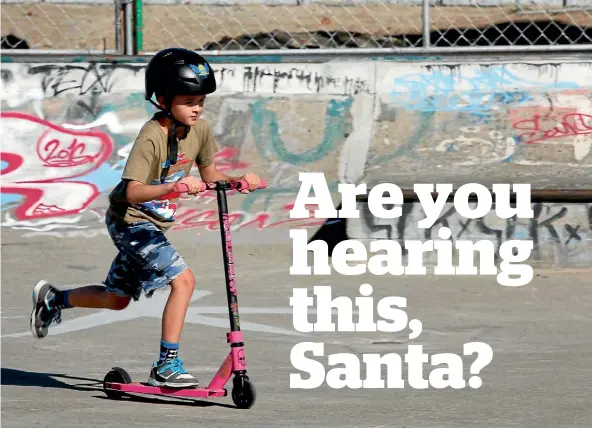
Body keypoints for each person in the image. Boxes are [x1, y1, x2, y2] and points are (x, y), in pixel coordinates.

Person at [29, 48, 262, 389]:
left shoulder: (199, 130)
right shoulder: (150, 137)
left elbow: (210, 172)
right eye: (188, 100)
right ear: (163, 99)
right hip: (130, 221)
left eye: (201, 100)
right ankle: (166, 365)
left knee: (117, 299)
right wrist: (173, 187)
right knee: (184, 281)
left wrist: (241, 180)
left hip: (151, 225)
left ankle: (54, 299)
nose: (197, 108)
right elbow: (132, 191)